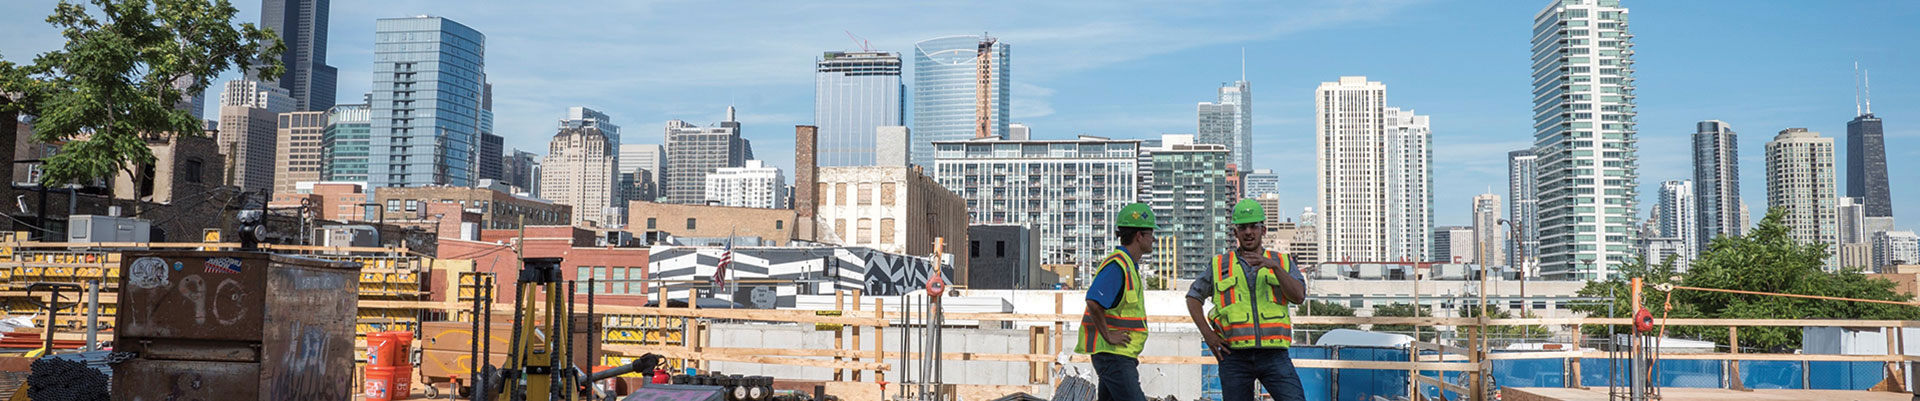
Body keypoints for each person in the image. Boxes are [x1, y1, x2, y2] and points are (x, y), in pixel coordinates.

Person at [1185, 199, 1307, 401]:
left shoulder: (1282, 261)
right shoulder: (1220, 265)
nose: (1248, 232)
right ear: (1235, 233)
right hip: (1234, 356)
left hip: (1274, 354)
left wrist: (1274, 267)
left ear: (1263, 230)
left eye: (1253, 226)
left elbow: (1299, 296)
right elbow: (1193, 297)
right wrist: (1208, 335)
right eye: (1243, 227)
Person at [1075, 202, 1157, 401]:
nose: (1153, 238)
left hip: (1117, 355)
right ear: (1139, 236)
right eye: (1150, 233)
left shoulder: (1128, 266)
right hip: (1114, 356)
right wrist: (1109, 335)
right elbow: (1094, 301)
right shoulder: (1118, 266)